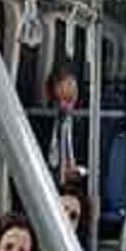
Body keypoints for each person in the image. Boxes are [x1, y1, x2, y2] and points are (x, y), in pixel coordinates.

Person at [43, 60, 85, 189]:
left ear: (77, 95)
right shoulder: (42, 124)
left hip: (79, 188)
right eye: (57, 100)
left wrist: (80, 171)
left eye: (67, 99)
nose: (62, 106)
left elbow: (96, 166)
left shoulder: (87, 124)